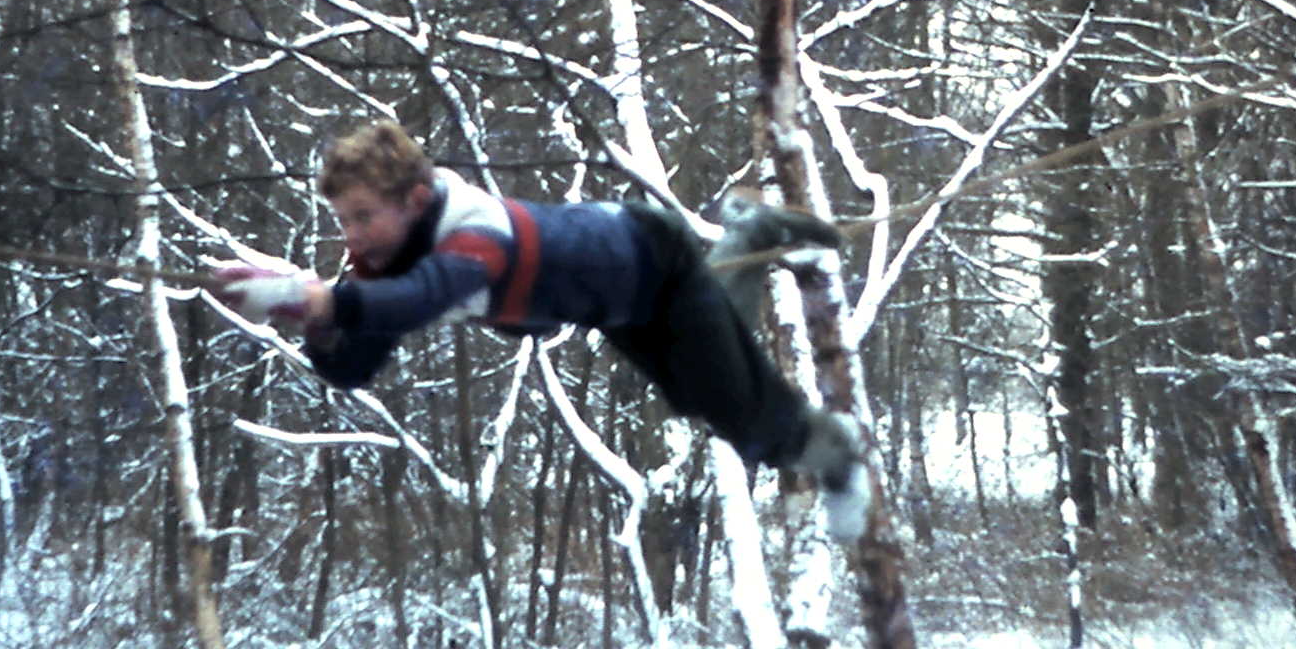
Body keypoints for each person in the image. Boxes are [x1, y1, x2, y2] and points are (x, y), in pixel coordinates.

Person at [205, 120, 873, 539]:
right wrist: (308, 316)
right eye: (342, 221)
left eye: (363, 217)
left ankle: (840, 455)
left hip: (654, 258)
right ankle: (750, 230)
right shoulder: (388, 262)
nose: (352, 236)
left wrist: (318, 299)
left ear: (414, 201)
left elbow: (422, 298)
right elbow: (352, 365)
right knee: (697, 391)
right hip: (618, 304)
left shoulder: (473, 230)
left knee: (738, 410)